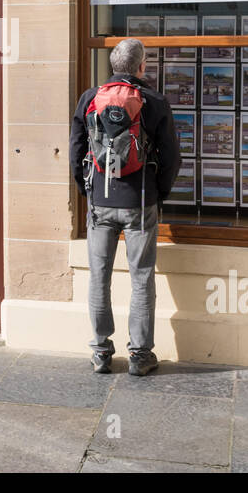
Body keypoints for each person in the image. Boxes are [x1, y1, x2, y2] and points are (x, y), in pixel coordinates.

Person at [69, 38, 180, 377]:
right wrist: (158, 194)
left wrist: (85, 188)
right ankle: (140, 355)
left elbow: (75, 149)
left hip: (100, 201)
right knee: (141, 277)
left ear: (112, 66)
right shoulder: (154, 101)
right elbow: (172, 157)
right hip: (139, 201)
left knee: (99, 277)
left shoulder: (90, 98)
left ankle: (101, 351)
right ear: (141, 67)